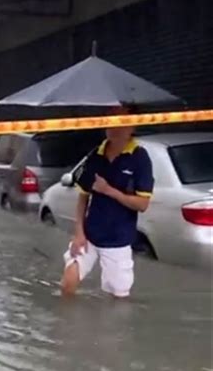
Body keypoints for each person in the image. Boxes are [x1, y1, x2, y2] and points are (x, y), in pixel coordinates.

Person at [61, 111, 154, 298]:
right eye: (111, 121)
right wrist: (79, 232)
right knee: (68, 283)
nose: (114, 127)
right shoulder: (96, 155)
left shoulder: (139, 158)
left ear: (132, 127)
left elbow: (142, 204)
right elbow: (82, 197)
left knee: (118, 298)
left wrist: (110, 191)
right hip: (90, 234)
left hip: (118, 239)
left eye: (121, 122)